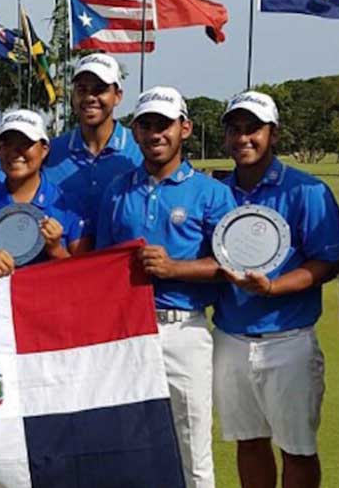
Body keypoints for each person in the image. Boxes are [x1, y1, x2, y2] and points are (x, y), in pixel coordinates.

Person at [95, 87, 235, 488]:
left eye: (164, 124)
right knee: (128, 443)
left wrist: (174, 268)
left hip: (184, 330)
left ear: (184, 128)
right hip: (127, 333)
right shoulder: (118, 190)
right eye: (147, 125)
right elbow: (102, 267)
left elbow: (230, 266)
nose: (156, 133)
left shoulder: (212, 193)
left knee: (192, 446)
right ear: (135, 131)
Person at [213, 91, 339, 488]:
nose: (243, 138)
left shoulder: (307, 191)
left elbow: (327, 262)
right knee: (249, 443)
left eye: (253, 129)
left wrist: (273, 287)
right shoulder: (217, 193)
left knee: (298, 449)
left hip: (288, 339)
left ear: (274, 134)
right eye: (235, 130)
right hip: (230, 338)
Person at [0, 109, 91, 276]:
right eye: (7, 143)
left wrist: (56, 251)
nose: (14, 152)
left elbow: (84, 276)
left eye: (25, 143)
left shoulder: (70, 206)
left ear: (44, 149)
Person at [45, 53, 142, 223]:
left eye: (99, 90)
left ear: (118, 96)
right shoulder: (50, 152)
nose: (90, 98)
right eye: (82, 90)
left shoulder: (139, 149)